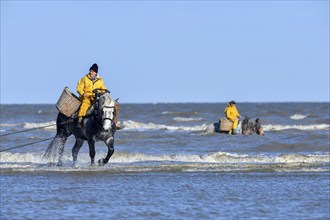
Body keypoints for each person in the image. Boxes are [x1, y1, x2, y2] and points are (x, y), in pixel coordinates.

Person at [76, 63, 106, 128]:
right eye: (90, 70)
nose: (90, 72)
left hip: (96, 97)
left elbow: (103, 89)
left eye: (92, 71)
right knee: (85, 104)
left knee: (104, 106)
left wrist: (101, 93)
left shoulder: (100, 81)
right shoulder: (84, 79)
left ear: (95, 72)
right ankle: (80, 120)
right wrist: (83, 93)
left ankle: (108, 122)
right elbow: (79, 88)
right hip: (86, 97)